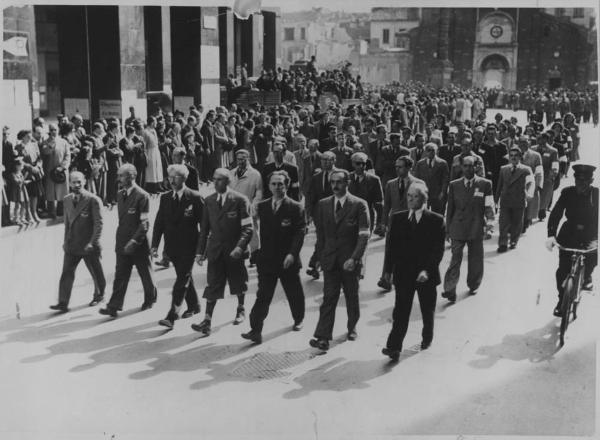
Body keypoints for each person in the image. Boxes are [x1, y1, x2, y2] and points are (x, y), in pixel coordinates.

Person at [381, 182, 445, 360]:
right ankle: (394, 347)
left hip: (426, 275)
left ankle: (427, 337)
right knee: (400, 311)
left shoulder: (436, 220)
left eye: (415, 196)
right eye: (408, 195)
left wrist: (427, 270)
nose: (410, 199)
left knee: (427, 309)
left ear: (424, 198)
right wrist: (387, 270)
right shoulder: (398, 218)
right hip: (404, 274)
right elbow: (391, 247)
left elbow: (437, 250)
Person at [309, 169, 370, 352]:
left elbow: (364, 235)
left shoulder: (359, 205)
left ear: (347, 183)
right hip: (330, 260)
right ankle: (322, 337)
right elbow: (321, 235)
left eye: (339, 182)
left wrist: (355, 258)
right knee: (329, 298)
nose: (335, 186)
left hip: (350, 261)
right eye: (332, 182)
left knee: (351, 296)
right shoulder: (323, 204)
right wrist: (318, 257)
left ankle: (352, 327)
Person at [241, 171, 306, 343]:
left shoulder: (295, 207)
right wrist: (254, 250)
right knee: (263, 295)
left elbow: (300, 233)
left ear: (286, 185)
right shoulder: (262, 207)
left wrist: (292, 254)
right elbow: (252, 228)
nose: (277, 187)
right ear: (269, 186)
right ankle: (255, 330)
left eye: (280, 184)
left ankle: (298, 319)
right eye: (273, 184)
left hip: (287, 260)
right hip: (267, 259)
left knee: (294, 292)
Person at [191, 168, 253, 336]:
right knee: (213, 285)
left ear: (228, 182)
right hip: (216, 251)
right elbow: (204, 229)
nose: (215, 183)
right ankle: (207, 320)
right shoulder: (209, 201)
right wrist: (199, 252)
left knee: (238, 282)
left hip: (234, 251)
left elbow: (248, 228)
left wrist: (240, 247)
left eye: (219, 180)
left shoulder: (240, 200)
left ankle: (241, 308)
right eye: (214, 179)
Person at [99, 164, 157, 317]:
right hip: (122, 240)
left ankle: (150, 298)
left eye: (121, 176)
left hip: (138, 242)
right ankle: (114, 305)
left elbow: (144, 223)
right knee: (120, 274)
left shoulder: (142, 196)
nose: (118, 179)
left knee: (145, 272)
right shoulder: (120, 194)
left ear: (131, 176)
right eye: (118, 175)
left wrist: (134, 241)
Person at [151, 164, 204, 328]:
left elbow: (205, 226)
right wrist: (154, 245)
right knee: (185, 275)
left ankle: (172, 315)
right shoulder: (165, 197)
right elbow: (159, 223)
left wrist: (202, 250)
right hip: (172, 248)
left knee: (181, 279)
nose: (172, 180)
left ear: (184, 178)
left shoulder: (194, 197)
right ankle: (194, 305)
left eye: (176, 177)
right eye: (170, 177)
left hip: (189, 247)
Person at [546, 164, 598, 317]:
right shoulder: (567, 192)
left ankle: (587, 276)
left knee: (593, 257)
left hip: (590, 233)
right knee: (562, 270)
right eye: (577, 180)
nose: (580, 184)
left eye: (584, 181)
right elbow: (556, 213)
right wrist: (551, 234)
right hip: (569, 233)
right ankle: (562, 299)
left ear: (591, 180)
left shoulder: (597, 194)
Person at [49, 171, 106, 312]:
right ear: (69, 183)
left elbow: (99, 224)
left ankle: (99, 295)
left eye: (79, 181)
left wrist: (93, 242)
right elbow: (67, 223)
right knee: (67, 272)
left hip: (88, 244)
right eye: (74, 182)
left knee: (95, 272)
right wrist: (65, 242)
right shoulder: (67, 199)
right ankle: (63, 302)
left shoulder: (93, 200)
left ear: (85, 181)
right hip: (72, 243)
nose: (77, 185)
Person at [442, 156, 495, 302]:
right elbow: (450, 208)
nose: (467, 169)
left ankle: (473, 284)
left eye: (471, 166)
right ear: (461, 167)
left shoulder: (485, 184)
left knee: (476, 258)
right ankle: (450, 289)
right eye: (465, 166)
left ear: (476, 167)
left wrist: (490, 225)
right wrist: (447, 229)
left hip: (476, 227)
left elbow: (489, 206)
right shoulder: (454, 185)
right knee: (455, 258)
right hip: (457, 227)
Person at [495, 147, 534, 252]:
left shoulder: (526, 169)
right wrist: (495, 200)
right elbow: (499, 186)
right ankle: (502, 243)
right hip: (505, 200)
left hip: (519, 199)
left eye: (516, 156)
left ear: (520, 157)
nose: (513, 158)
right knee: (503, 222)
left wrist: (529, 194)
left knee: (517, 222)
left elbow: (530, 183)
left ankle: (513, 241)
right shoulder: (503, 169)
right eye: (511, 155)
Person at [230, 149, 264, 266]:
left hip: (249, 207)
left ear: (248, 158)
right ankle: (242, 253)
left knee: (253, 231)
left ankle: (255, 255)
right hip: (234, 208)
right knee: (236, 232)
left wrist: (254, 205)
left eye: (243, 159)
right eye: (238, 159)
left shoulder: (255, 174)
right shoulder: (231, 173)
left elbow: (259, 192)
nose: (240, 161)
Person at [348, 152, 383, 233]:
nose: (361, 166)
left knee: (364, 241)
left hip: (367, 216)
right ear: (353, 164)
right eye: (358, 163)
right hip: (349, 217)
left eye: (363, 164)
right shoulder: (346, 178)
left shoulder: (374, 180)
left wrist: (379, 223)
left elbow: (379, 202)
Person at [42, 122, 71, 219]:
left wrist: (62, 167)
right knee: (50, 191)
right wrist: (51, 145)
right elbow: (45, 152)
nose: (53, 132)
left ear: (58, 130)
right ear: (48, 132)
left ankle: (61, 211)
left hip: (61, 171)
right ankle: (51, 211)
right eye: (51, 130)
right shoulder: (45, 142)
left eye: (55, 130)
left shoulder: (64, 142)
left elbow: (68, 155)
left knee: (61, 191)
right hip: (50, 170)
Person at [412, 142, 449, 214]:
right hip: (424, 193)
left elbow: (445, 179)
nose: (431, 152)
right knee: (423, 214)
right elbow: (416, 179)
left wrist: (443, 192)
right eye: (429, 150)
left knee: (437, 214)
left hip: (437, 194)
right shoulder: (420, 163)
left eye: (433, 150)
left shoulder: (442, 163)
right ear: (425, 151)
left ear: (436, 151)